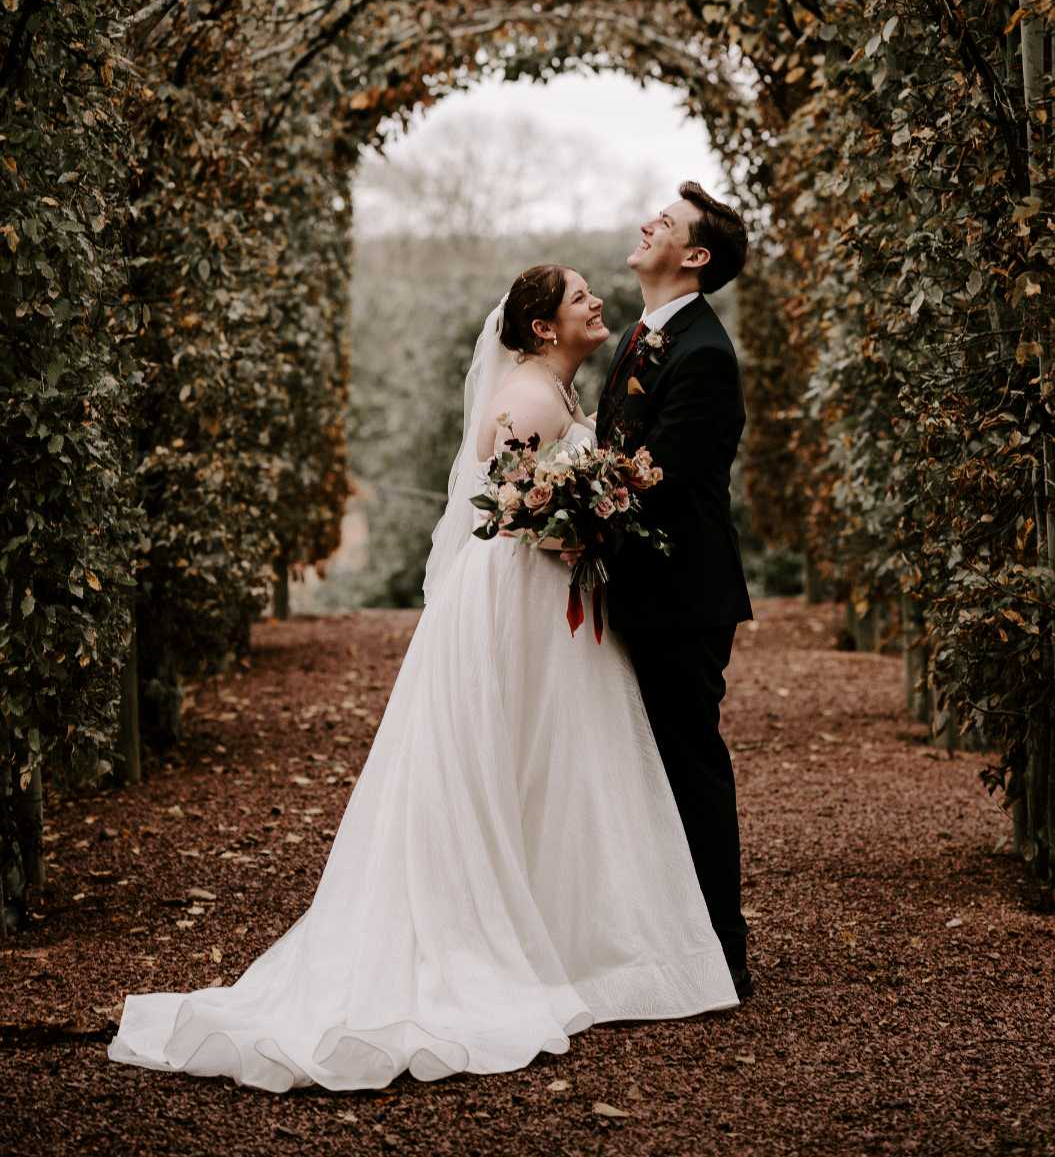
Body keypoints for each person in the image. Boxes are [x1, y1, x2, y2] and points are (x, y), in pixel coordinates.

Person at [107, 264, 737, 1096]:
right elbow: (510, 498)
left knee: (557, 753)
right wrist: (572, 517)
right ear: (544, 328)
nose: (594, 304)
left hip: (548, 595)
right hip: (521, 597)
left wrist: (581, 515)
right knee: (525, 746)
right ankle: (526, 933)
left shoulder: (556, 389)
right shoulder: (534, 397)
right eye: (578, 297)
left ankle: (564, 925)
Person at [595, 182, 753, 996]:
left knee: (687, 765)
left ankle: (720, 952)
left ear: (693, 257)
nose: (646, 220)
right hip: (635, 588)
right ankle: (657, 933)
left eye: (667, 221)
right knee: (639, 766)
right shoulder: (639, 337)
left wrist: (570, 500)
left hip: (682, 597)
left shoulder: (703, 356)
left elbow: (652, 481)